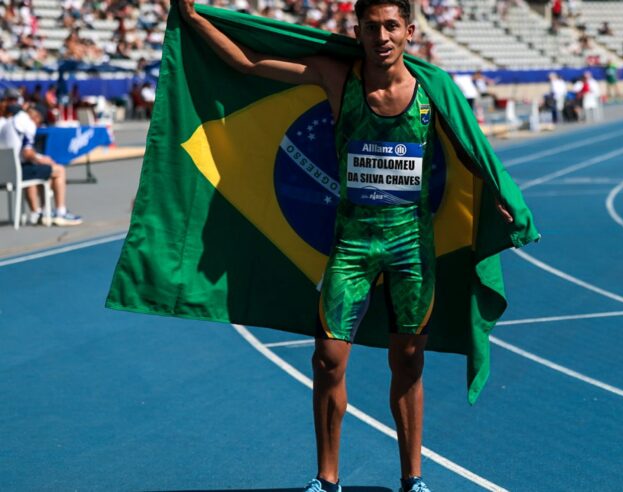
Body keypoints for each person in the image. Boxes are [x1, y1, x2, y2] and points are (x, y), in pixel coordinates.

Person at [178, 1, 513, 491]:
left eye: (391, 26)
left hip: (410, 250)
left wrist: (502, 199)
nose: (382, 36)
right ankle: (327, 478)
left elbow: (471, 146)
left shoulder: (432, 90)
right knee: (327, 359)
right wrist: (195, 20)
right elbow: (247, 64)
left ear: (409, 31)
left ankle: (412, 478)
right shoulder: (338, 79)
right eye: (372, 27)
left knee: (409, 361)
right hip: (352, 246)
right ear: (357, 31)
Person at [3, 91, 82, 226]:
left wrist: (39, 159)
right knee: (58, 170)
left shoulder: (8, 122)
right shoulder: (28, 124)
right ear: (37, 117)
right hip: (18, 172)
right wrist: (43, 159)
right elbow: (28, 153)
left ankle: (39, 212)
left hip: (4, 172)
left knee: (40, 170)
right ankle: (60, 212)